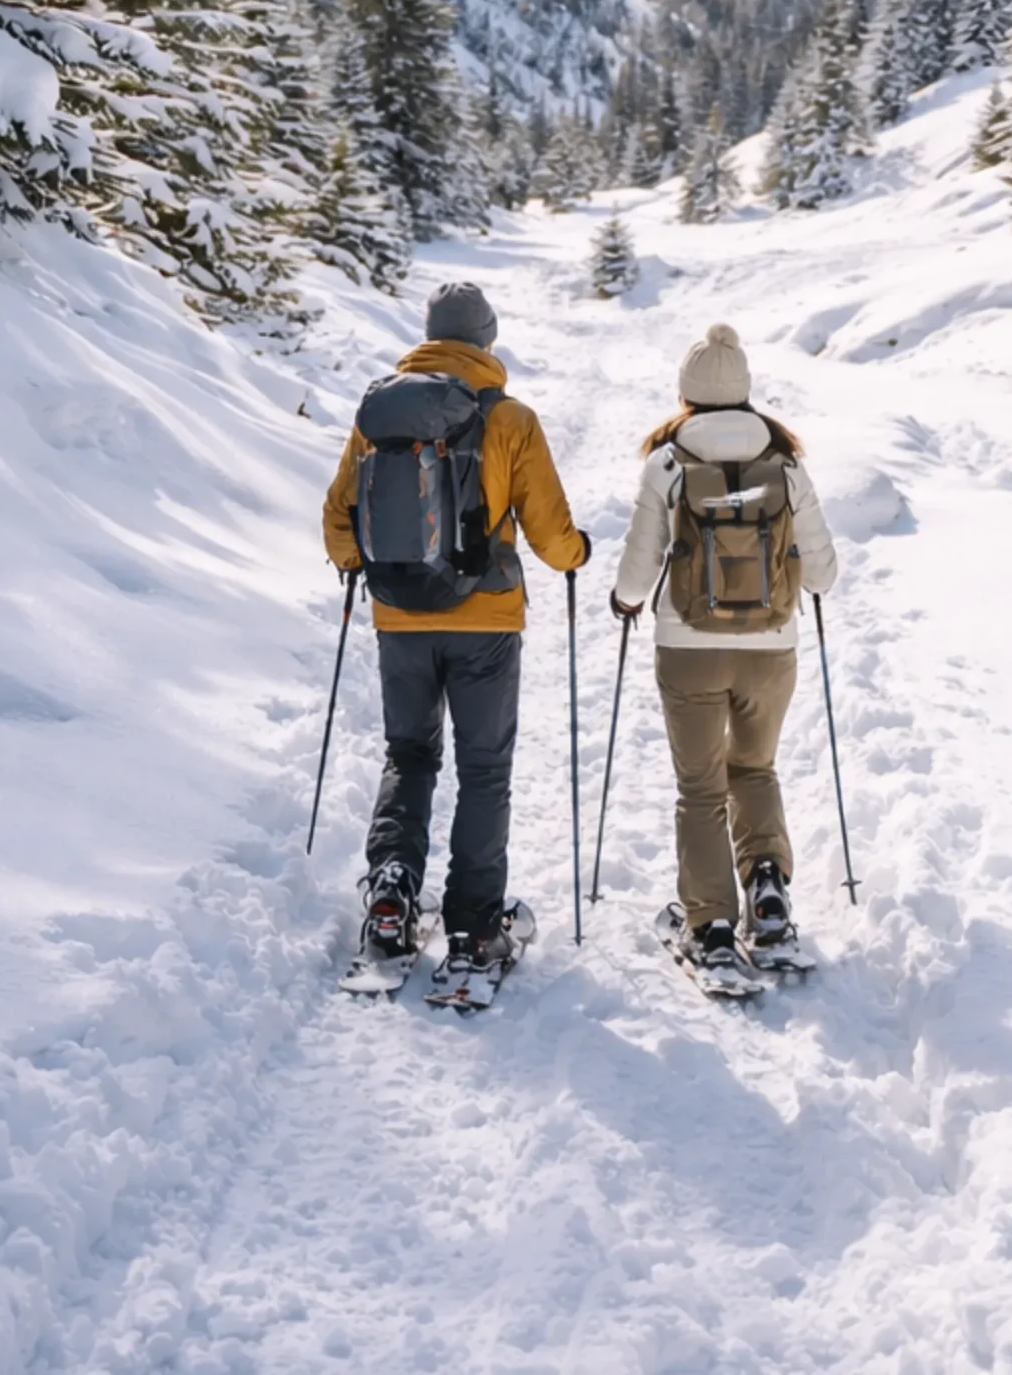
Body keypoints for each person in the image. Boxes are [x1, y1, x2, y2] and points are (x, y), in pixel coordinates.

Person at [321, 279, 586, 988]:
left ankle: (390, 894)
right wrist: (577, 555)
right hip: (487, 623)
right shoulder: (510, 419)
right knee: (484, 770)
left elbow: (339, 515)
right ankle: (475, 926)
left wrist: (363, 569)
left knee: (408, 755)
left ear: (430, 334)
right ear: (488, 340)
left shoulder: (380, 413)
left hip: (399, 620)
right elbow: (551, 535)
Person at [610, 321, 838, 979]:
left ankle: (709, 924)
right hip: (771, 647)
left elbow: (638, 564)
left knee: (702, 787)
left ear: (686, 391)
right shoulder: (786, 460)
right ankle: (766, 891)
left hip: (688, 647)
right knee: (756, 769)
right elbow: (822, 572)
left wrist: (626, 602)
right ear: (744, 389)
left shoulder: (669, 460)